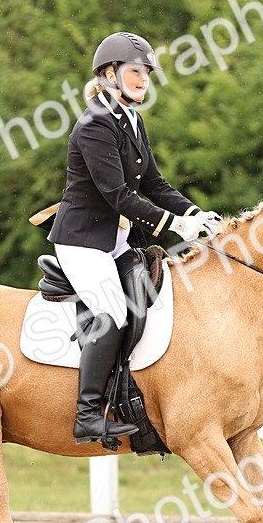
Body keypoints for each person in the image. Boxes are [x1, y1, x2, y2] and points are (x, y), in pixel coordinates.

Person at [48, 31, 219, 445]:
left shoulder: (132, 120)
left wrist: (194, 214)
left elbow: (155, 184)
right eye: (135, 72)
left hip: (116, 240)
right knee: (112, 310)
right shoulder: (95, 124)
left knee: (155, 294)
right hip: (83, 241)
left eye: (147, 73)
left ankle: (130, 392)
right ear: (110, 74)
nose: (144, 80)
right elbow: (119, 195)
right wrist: (174, 225)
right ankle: (88, 414)